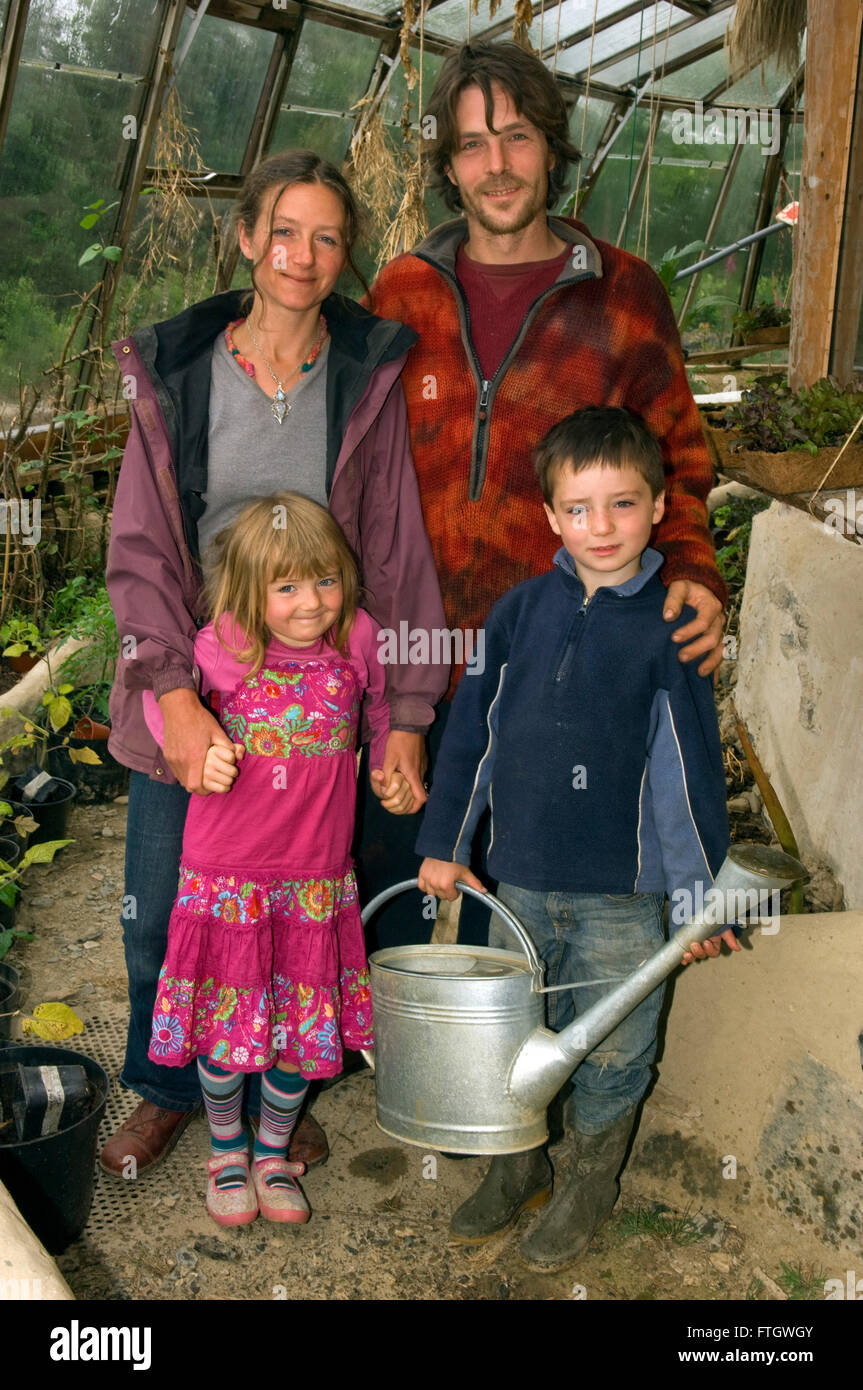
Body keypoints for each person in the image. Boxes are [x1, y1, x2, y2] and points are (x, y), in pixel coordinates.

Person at [103, 150, 446, 1180]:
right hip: (204, 673)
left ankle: (279, 1095)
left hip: (318, 693)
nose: (303, 255)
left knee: (305, 897)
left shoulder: (364, 374)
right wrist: (175, 695)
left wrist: (405, 713)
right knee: (168, 896)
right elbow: (142, 548)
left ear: (346, 256)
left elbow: (392, 548)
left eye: (327, 236)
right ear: (246, 239)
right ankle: (171, 1086)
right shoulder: (181, 372)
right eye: (284, 231)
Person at [361, 41, 728, 947]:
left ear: (551, 148)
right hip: (410, 658)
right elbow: (359, 474)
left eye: (516, 138)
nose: (496, 166)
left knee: (521, 911)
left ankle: (511, 1078)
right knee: (388, 889)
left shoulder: (621, 292)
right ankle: (399, 1068)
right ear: (448, 164)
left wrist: (691, 567)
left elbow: (677, 458)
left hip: (551, 668)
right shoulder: (401, 293)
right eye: (473, 144)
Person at [417, 406, 738, 1266]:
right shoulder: (517, 615)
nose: (602, 527)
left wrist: (696, 902)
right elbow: (471, 738)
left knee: (611, 1049)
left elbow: (684, 773)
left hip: (621, 901)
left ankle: (592, 1179)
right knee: (509, 1034)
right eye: (581, 508)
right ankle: (518, 1165)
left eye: (623, 505)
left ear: (659, 508)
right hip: (514, 886)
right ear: (551, 516)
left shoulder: (669, 631)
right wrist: (447, 842)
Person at [142, 493, 404, 1226]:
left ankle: (272, 1153)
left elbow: (382, 710)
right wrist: (196, 752)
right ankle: (225, 1150)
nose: (310, 602)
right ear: (249, 592)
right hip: (226, 874)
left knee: (301, 1025)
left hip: (315, 879)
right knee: (224, 1031)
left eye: (324, 580)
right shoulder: (220, 644)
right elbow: (157, 707)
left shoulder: (358, 638)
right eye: (285, 587)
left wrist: (385, 756)